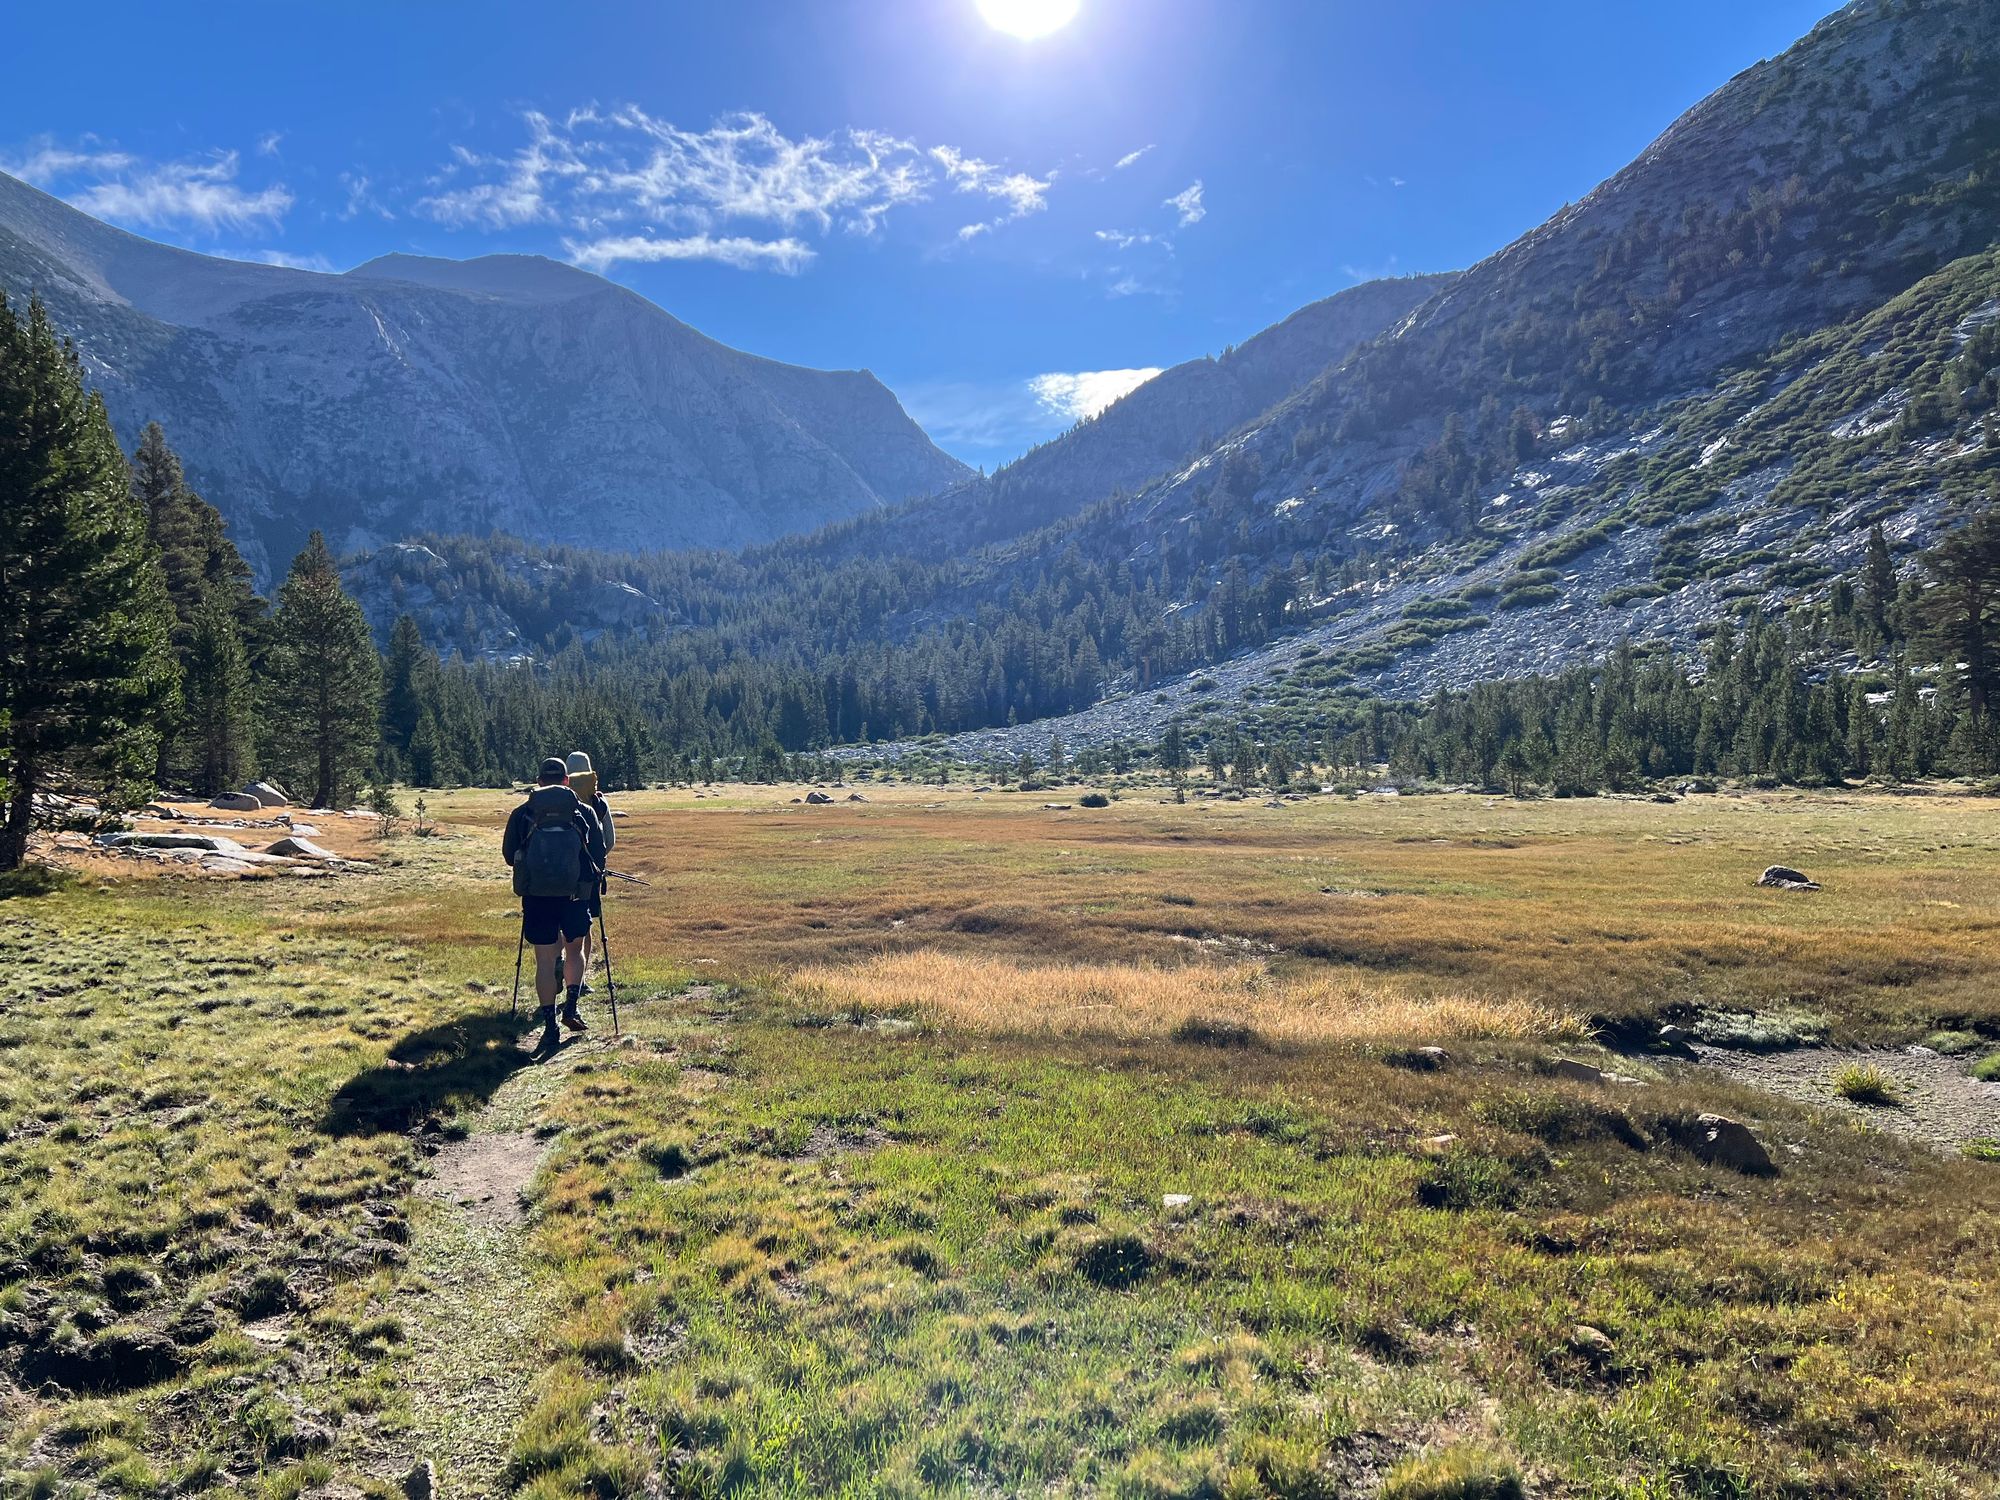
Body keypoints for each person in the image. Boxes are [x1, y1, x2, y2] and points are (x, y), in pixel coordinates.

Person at [502, 758, 607, 1049]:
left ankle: (549, 1025)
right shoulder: (583, 812)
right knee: (574, 951)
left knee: (545, 960)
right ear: (566, 781)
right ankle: (571, 1006)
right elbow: (597, 855)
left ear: (538, 781)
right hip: (575, 895)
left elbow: (510, 855)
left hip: (537, 896)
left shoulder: (522, 814)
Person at [564, 750, 613, 995]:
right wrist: (597, 861)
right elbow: (609, 840)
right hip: (589, 873)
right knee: (585, 925)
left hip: (557, 872)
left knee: (559, 924)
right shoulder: (597, 801)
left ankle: (560, 965)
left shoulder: (554, 798)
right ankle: (578, 981)